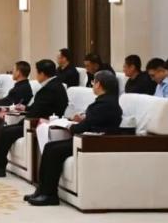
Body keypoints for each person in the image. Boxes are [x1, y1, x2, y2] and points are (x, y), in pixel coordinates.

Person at [26, 71, 123, 206]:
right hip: (87, 139)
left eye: (93, 82)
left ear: (99, 84)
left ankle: (49, 194)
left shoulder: (104, 104)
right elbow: (92, 121)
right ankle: (42, 190)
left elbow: (83, 127)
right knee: (50, 147)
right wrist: (80, 121)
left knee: (53, 150)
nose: (92, 85)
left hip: (92, 141)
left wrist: (70, 126)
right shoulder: (106, 101)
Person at [0, 59, 68, 177]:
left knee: (7, 131)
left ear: (42, 74)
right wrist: (26, 108)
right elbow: (40, 107)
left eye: (37, 72)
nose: (36, 76)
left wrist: (22, 121)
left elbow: (39, 111)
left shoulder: (49, 89)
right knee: (6, 130)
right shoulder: (55, 85)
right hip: (36, 120)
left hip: (39, 124)